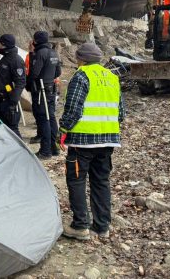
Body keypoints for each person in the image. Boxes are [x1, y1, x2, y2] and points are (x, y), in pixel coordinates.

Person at [60, 42, 125, 241]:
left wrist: (62, 129)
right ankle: (102, 226)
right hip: (108, 141)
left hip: (82, 142)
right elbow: (120, 113)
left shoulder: (81, 76)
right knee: (101, 181)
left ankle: (80, 226)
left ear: (82, 59)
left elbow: (73, 110)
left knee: (77, 181)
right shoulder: (112, 77)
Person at [27, 31, 61, 160]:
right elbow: (58, 71)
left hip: (41, 91)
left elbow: (34, 73)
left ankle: (45, 151)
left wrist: (29, 85)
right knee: (51, 118)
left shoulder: (40, 53)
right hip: (51, 89)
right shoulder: (53, 53)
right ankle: (54, 148)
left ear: (35, 41)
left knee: (44, 119)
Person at [0, 34, 26, 138]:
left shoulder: (16, 60)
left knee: (12, 129)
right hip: (1, 100)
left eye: (0, 44)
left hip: (8, 102)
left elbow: (20, 82)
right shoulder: (5, 58)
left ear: (5, 45)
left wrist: (12, 102)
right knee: (1, 128)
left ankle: (21, 151)